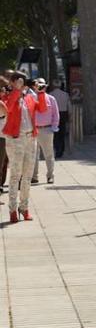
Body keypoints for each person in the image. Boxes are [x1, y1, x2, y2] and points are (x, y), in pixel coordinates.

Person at [1, 72, 48, 223]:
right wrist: (17, 90)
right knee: (15, 175)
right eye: (19, 81)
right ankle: (13, 209)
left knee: (27, 175)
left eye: (23, 81)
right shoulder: (8, 96)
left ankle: (24, 207)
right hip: (16, 139)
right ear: (13, 82)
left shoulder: (29, 97)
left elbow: (42, 109)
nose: (23, 83)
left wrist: (40, 93)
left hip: (30, 138)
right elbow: (7, 108)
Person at [30, 78, 59, 184]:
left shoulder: (51, 99)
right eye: (38, 85)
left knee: (48, 154)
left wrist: (53, 127)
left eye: (43, 85)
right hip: (33, 129)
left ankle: (50, 175)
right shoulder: (31, 98)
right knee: (33, 154)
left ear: (46, 87)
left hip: (47, 129)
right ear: (34, 87)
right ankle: (34, 176)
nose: (41, 87)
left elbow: (56, 114)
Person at [48, 79, 69, 158]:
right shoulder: (65, 95)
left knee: (55, 134)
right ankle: (62, 149)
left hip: (53, 115)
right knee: (62, 133)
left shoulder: (51, 94)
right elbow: (68, 106)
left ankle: (57, 149)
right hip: (63, 114)